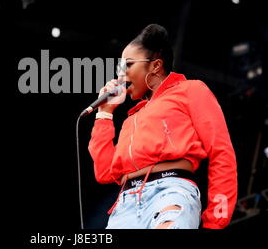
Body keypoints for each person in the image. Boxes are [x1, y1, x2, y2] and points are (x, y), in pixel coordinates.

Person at [88, 24, 237, 229]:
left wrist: (216, 219)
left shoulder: (190, 90)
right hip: (124, 208)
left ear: (155, 66)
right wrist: (104, 114)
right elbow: (105, 173)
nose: (121, 76)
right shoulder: (132, 119)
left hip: (170, 192)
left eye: (128, 65)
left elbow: (221, 153)